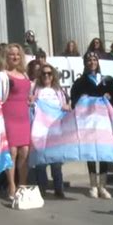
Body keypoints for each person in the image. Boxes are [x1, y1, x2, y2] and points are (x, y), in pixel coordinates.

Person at [70, 51, 113, 199]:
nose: (92, 62)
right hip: (88, 122)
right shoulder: (80, 82)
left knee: (103, 152)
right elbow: (74, 101)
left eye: (94, 59)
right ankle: (93, 185)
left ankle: (103, 186)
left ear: (98, 62)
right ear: (85, 63)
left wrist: (110, 97)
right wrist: (82, 100)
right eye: (89, 60)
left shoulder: (107, 80)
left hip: (104, 121)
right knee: (91, 153)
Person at [32, 64, 70, 198]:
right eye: (44, 73)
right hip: (40, 129)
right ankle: (42, 188)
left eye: (49, 73)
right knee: (41, 161)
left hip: (55, 129)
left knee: (56, 160)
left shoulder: (58, 91)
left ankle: (58, 189)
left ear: (53, 75)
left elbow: (64, 106)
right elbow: (30, 105)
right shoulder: (36, 89)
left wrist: (66, 107)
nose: (46, 76)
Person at [2, 43, 31, 199]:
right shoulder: (3, 74)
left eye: (18, 54)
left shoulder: (25, 74)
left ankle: (22, 185)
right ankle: (11, 186)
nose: (15, 57)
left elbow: (27, 94)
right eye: (12, 54)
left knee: (25, 152)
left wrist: (31, 99)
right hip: (9, 115)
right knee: (12, 152)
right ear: (7, 57)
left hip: (23, 116)